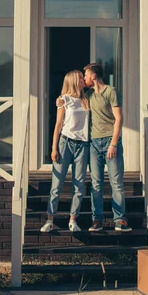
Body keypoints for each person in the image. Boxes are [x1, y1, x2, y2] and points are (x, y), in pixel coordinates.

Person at [57, 64, 132, 232]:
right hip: (92, 144)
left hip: (110, 142)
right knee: (96, 184)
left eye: (86, 74)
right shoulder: (87, 95)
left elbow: (119, 119)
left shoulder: (111, 92)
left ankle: (120, 220)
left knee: (116, 183)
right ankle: (97, 220)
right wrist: (59, 101)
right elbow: (70, 99)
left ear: (93, 76)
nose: (84, 78)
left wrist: (113, 143)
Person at [41, 70, 90, 233]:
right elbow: (58, 125)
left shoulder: (86, 100)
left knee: (79, 185)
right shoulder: (64, 100)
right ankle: (50, 219)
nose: (84, 80)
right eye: (81, 78)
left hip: (82, 145)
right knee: (57, 184)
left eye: (84, 78)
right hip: (65, 143)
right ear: (74, 81)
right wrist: (54, 148)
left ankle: (73, 219)